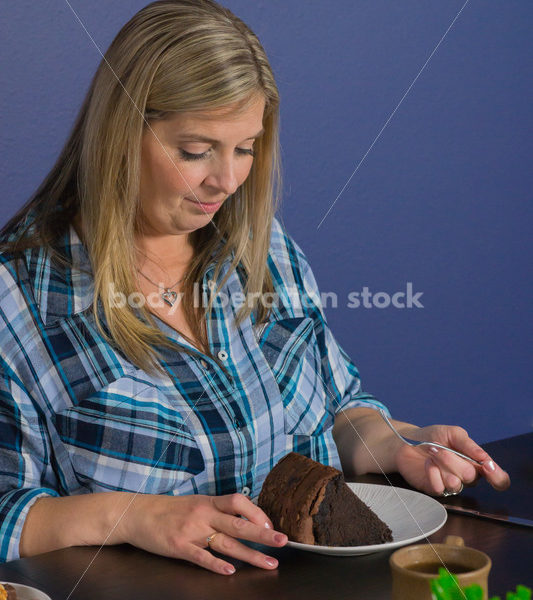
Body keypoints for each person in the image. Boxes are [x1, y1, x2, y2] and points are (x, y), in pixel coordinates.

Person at [0, 0, 509, 575]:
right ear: (120, 134)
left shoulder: (259, 248)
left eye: (245, 148)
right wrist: (132, 515)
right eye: (195, 151)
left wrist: (396, 442)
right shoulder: (16, 298)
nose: (226, 180)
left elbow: (340, 409)